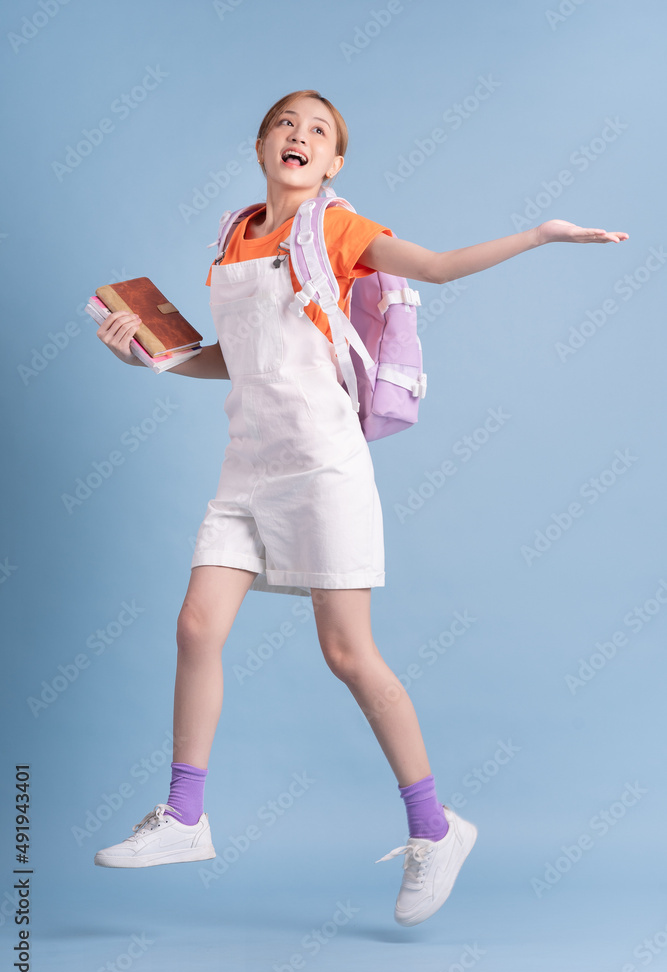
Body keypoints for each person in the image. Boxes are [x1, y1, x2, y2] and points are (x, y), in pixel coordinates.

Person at [91, 89, 628, 926]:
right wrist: (151, 360)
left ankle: (433, 828)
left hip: (322, 467)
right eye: (284, 124)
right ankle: (186, 818)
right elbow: (238, 360)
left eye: (318, 132)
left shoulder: (339, 230)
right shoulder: (236, 234)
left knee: (348, 654)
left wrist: (541, 234)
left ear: (333, 162)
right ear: (260, 143)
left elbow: (440, 265)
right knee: (196, 628)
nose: (298, 137)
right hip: (247, 468)